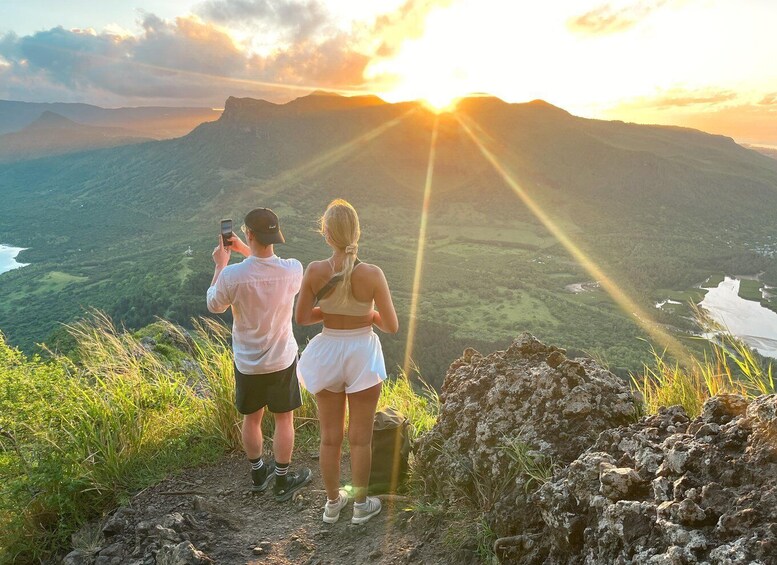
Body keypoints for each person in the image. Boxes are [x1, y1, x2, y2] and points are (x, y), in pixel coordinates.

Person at [295, 199, 399, 525]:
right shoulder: (372, 274)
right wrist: (365, 313)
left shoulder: (314, 270)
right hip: (362, 353)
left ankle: (331, 504)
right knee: (360, 438)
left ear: (326, 234)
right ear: (357, 233)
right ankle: (360, 506)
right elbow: (391, 325)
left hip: (327, 351)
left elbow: (301, 318)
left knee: (329, 437)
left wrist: (330, 311)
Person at [207, 207, 312, 502]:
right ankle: (281, 481)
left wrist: (221, 264)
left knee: (251, 420)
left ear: (248, 234)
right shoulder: (293, 269)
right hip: (281, 359)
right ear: (275, 236)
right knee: (283, 420)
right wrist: (245, 251)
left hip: (248, 362)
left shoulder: (231, 275)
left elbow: (214, 304)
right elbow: (265, 270)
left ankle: (257, 474)